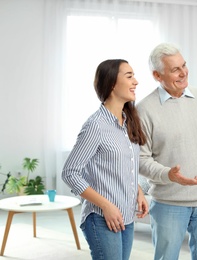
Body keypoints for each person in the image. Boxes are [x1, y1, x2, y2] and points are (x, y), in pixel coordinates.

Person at [136, 42, 197, 260]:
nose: (183, 73)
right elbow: (140, 158)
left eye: (184, 65)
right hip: (168, 203)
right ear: (157, 75)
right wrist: (167, 174)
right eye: (175, 69)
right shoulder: (144, 110)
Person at [62, 59, 149, 260]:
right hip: (101, 218)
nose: (136, 81)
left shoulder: (128, 122)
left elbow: (124, 166)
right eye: (129, 76)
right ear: (111, 83)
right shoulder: (96, 126)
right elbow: (70, 172)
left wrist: (138, 192)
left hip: (126, 216)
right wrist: (106, 205)